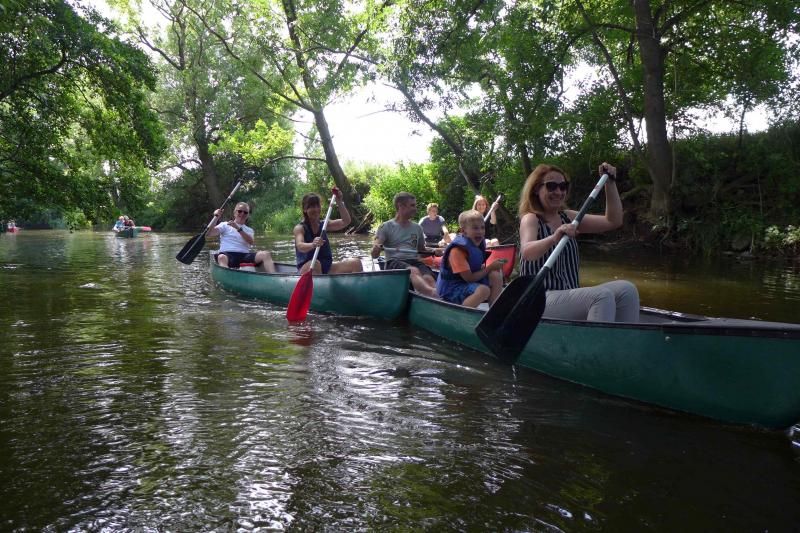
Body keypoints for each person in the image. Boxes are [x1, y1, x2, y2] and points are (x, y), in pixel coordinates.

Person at [518, 162, 639, 322]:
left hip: (568, 296)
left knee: (627, 290)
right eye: (551, 186)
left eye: (563, 186)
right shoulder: (531, 218)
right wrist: (554, 237)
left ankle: (624, 338)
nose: (558, 192)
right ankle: (593, 338)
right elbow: (527, 252)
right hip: (539, 299)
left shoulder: (569, 217)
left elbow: (613, 221)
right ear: (536, 189)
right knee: (601, 296)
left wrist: (610, 183)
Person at [371, 192, 439, 297]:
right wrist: (376, 248)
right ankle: (433, 295)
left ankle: (437, 298)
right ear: (400, 206)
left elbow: (422, 252)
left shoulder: (417, 228)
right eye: (412, 205)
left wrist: (434, 252)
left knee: (428, 278)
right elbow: (374, 255)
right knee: (413, 271)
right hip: (393, 262)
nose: (415, 209)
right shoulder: (386, 226)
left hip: (414, 261)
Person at [436, 209, 504, 307]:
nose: (480, 232)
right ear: (463, 231)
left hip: (465, 283)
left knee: (495, 276)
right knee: (483, 290)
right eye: (475, 228)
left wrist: (492, 268)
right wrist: (490, 267)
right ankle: (461, 314)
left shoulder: (477, 244)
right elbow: (469, 278)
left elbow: (475, 269)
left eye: (482, 228)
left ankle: (493, 311)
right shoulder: (457, 251)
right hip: (450, 290)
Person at [294, 190, 362, 274]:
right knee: (315, 264)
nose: (316, 209)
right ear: (305, 209)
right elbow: (300, 246)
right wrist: (313, 244)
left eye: (318, 206)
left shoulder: (325, 224)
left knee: (356, 263)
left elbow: (346, 221)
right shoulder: (300, 228)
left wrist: (339, 201)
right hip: (307, 269)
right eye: (312, 206)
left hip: (326, 268)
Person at [207, 201, 276, 272]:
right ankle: (227, 274)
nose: (242, 214)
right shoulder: (224, 225)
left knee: (266, 254)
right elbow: (209, 233)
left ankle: (273, 276)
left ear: (248, 215)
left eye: (245, 212)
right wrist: (216, 217)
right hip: (227, 255)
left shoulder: (249, 230)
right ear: (234, 213)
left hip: (244, 256)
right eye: (240, 211)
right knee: (221, 257)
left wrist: (238, 228)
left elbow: (251, 242)